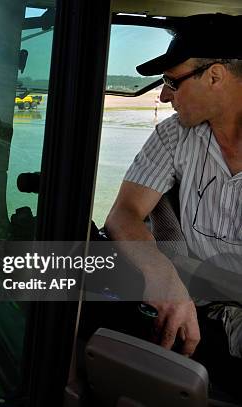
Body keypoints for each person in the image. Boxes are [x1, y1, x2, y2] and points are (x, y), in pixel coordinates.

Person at [105, 13, 242, 361]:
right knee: (43, 273)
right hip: (183, 294)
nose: (164, 96)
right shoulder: (174, 133)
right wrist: (161, 274)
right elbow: (124, 213)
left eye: (171, 81)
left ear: (215, 76)